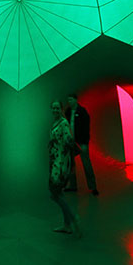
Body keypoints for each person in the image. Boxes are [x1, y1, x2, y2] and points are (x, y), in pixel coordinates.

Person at [48, 100, 81, 237]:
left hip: (60, 165)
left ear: (61, 109)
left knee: (55, 194)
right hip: (55, 162)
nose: (55, 110)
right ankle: (67, 225)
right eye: (53, 108)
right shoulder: (56, 122)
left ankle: (73, 218)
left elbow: (69, 140)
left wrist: (69, 162)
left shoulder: (63, 123)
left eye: (57, 108)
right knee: (58, 194)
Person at [64, 93, 99, 195]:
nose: (69, 102)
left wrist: (84, 141)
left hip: (81, 142)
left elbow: (86, 128)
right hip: (71, 142)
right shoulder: (68, 112)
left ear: (75, 100)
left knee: (86, 164)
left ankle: (93, 187)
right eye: (68, 100)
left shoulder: (82, 111)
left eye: (70, 100)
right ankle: (73, 186)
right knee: (71, 165)